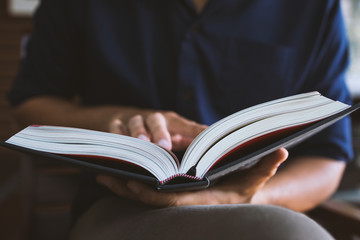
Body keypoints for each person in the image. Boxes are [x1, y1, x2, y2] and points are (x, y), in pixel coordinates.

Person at [8, 0, 353, 239]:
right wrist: (119, 118)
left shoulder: (313, 8)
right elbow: (30, 104)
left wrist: (246, 198)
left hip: (259, 206)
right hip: (121, 206)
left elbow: (327, 159)